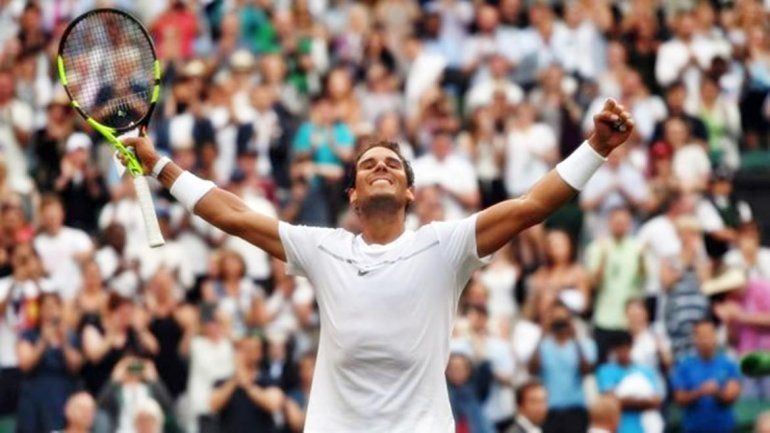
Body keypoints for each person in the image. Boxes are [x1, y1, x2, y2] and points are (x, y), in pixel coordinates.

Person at [120, 98, 634, 432]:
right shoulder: (323, 249)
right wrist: (160, 166)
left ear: (410, 192)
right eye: (368, 164)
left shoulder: (445, 246)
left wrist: (597, 148)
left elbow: (531, 207)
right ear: (354, 195)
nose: (381, 166)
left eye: (392, 163)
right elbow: (234, 215)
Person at [16, 292, 83, 433]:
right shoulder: (29, 334)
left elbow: (76, 365)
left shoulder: (69, 335)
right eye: (46, 307)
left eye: (54, 307)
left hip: (62, 394)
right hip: (35, 394)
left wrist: (65, 342)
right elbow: (25, 365)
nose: (50, 311)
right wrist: (42, 342)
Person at [528, 302, 596, 433]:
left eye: (563, 320)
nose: (560, 325)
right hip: (550, 410)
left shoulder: (582, 344)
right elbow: (532, 369)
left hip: (575, 409)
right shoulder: (544, 346)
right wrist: (542, 334)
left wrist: (575, 337)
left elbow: (586, 371)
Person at [671, 319, 742, 433]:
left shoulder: (728, 364)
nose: (705, 340)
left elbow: (732, 396)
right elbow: (679, 398)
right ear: (695, 339)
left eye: (708, 335)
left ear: (715, 337)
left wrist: (716, 392)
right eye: (701, 336)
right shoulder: (684, 365)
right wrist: (698, 393)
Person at [209, 333, 284, 433]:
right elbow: (213, 405)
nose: (249, 353)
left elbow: (273, 404)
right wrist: (236, 379)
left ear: (260, 353)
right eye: (245, 349)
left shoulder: (268, 380)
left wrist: (247, 385)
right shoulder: (223, 382)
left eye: (254, 349)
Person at [596, 333, 664, 433]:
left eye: (626, 347)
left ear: (631, 347)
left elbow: (657, 401)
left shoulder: (646, 370)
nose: (623, 352)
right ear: (613, 350)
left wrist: (625, 400)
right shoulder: (605, 371)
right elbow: (611, 402)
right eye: (619, 348)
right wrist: (645, 402)